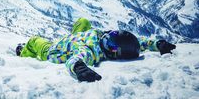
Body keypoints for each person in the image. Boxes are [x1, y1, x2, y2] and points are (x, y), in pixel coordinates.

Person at [16, 18, 176, 82]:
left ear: (113, 52)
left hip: (56, 49)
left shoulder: (90, 51)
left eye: (111, 41)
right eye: (112, 34)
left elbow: (75, 59)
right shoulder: (105, 38)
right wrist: (158, 43)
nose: (108, 36)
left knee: (34, 40)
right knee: (83, 21)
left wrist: (79, 68)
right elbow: (136, 42)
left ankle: (23, 51)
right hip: (78, 36)